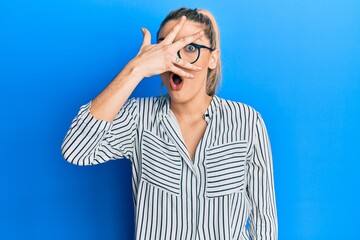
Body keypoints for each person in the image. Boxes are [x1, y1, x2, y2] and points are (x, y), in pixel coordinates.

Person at [61, 7, 278, 239]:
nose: (176, 59)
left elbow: (264, 219)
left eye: (191, 48)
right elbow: (76, 150)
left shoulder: (247, 122)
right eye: (166, 47)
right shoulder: (138, 119)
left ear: (212, 59)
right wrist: (136, 69)